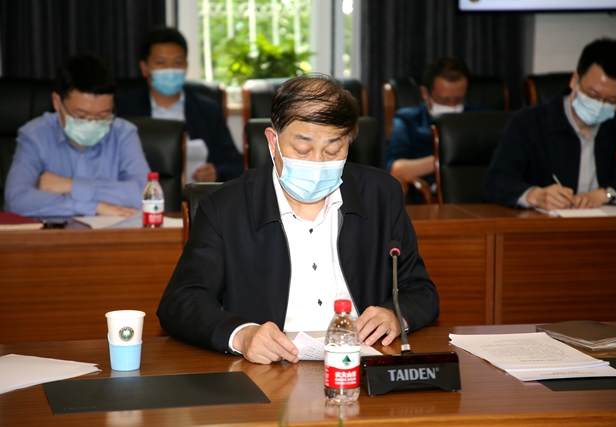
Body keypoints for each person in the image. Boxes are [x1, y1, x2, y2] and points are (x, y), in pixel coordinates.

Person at [157, 74, 439, 364]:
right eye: (303, 149)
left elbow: (419, 290)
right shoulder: (225, 207)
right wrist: (242, 335)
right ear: (273, 141)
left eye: (333, 149)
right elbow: (182, 301)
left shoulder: (381, 195)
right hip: (269, 369)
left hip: (360, 363)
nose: (317, 162)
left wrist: (395, 314)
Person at [483, 38, 616, 209]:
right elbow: (495, 182)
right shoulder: (529, 123)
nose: (600, 105)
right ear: (575, 80)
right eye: (593, 95)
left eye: (612, 100)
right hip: (546, 223)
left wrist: (606, 194)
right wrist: (536, 196)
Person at [4, 54, 150, 217]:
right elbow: (16, 200)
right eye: (81, 116)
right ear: (57, 102)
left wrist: (70, 186)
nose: (92, 123)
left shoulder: (123, 133)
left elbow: (145, 195)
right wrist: (94, 207)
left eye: (103, 115)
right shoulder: (35, 135)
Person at [115, 26, 243, 183]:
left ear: (186, 66)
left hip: (194, 194)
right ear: (144, 68)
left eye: (177, 63)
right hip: (139, 192)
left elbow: (235, 164)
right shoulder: (124, 108)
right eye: (161, 63)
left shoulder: (208, 110)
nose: (170, 69)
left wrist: (217, 173)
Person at [384, 57, 482, 198]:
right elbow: (395, 169)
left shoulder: (480, 117)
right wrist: (448, 157)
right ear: (425, 93)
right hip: (426, 197)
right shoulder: (407, 119)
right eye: (444, 100)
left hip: (473, 195)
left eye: (459, 100)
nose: (452, 106)